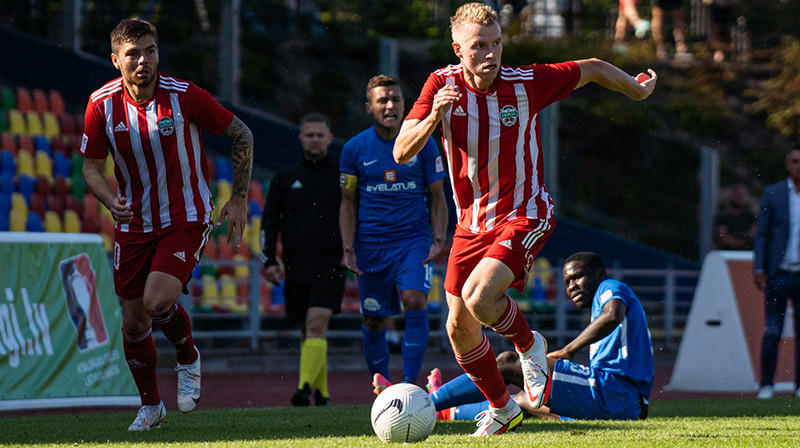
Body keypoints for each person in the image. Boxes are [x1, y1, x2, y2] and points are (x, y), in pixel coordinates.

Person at [393, 2, 656, 436]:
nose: (491, 54)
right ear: (458, 48)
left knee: (480, 299)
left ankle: (530, 344)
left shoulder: (526, 83)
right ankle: (502, 407)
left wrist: (636, 90)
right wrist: (435, 116)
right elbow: (402, 150)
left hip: (525, 212)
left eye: (497, 43)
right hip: (471, 224)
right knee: (459, 327)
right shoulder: (441, 85)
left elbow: (589, 67)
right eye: (480, 46)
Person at [81, 18, 253, 431]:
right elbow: (91, 166)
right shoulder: (101, 104)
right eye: (133, 54)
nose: (143, 61)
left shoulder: (184, 96)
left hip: (186, 216)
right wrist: (109, 200)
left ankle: (188, 354)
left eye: (150, 50)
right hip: (133, 223)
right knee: (134, 321)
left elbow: (242, 134)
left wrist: (240, 197)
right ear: (115, 59)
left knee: (157, 303)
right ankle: (151, 406)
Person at [421, 252, 653, 423]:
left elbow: (613, 314)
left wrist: (568, 350)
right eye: (567, 283)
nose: (572, 287)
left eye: (578, 277)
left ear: (599, 274)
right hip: (623, 403)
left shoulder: (609, 287)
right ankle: (445, 411)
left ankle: (425, 402)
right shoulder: (598, 306)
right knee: (526, 399)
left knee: (509, 362)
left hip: (615, 392)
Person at [339, 75, 448, 387]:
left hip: (412, 240)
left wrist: (438, 238)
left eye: (396, 99)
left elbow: (438, 197)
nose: (390, 105)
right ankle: (383, 387)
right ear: (369, 107)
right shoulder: (354, 149)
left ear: (405, 105)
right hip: (370, 244)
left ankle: (411, 383)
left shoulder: (424, 143)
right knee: (373, 317)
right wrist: (348, 247)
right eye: (382, 100)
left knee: (414, 299)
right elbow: (347, 203)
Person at [260, 113, 344, 407]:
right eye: (309, 134)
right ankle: (322, 393)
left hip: (332, 265)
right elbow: (269, 223)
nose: (315, 140)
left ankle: (302, 389)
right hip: (295, 267)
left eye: (320, 135)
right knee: (308, 331)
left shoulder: (341, 178)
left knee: (316, 323)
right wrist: (269, 259)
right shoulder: (285, 178)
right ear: (300, 138)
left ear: (330, 139)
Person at [753, 148, 800, 399]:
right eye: (794, 161)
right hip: (779, 273)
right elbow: (762, 233)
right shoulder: (774, 193)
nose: (798, 166)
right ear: (786, 165)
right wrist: (759, 267)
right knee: (772, 329)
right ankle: (766, 384)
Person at [715, 183, 756, 250]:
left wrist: (732, 237)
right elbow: (722, 237)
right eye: (737, 194)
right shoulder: (723, 216)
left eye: (742, 195)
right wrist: (742, 241)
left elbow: (753, 234)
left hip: (746, 254)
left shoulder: (750, 215)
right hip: (727, 253)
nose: (739, 198)